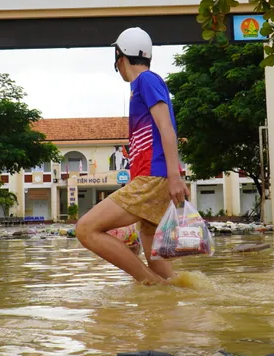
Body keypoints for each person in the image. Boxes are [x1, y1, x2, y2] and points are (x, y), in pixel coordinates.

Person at [76, 27, 189, 284]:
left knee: (86, 229)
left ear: (120, 57)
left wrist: (174, 175)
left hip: (154, 178)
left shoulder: (145, 81)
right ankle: (185, 293)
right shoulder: (144, 84)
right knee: (155, 257)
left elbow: (166, 128)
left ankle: (151, 285)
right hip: (153, 178)